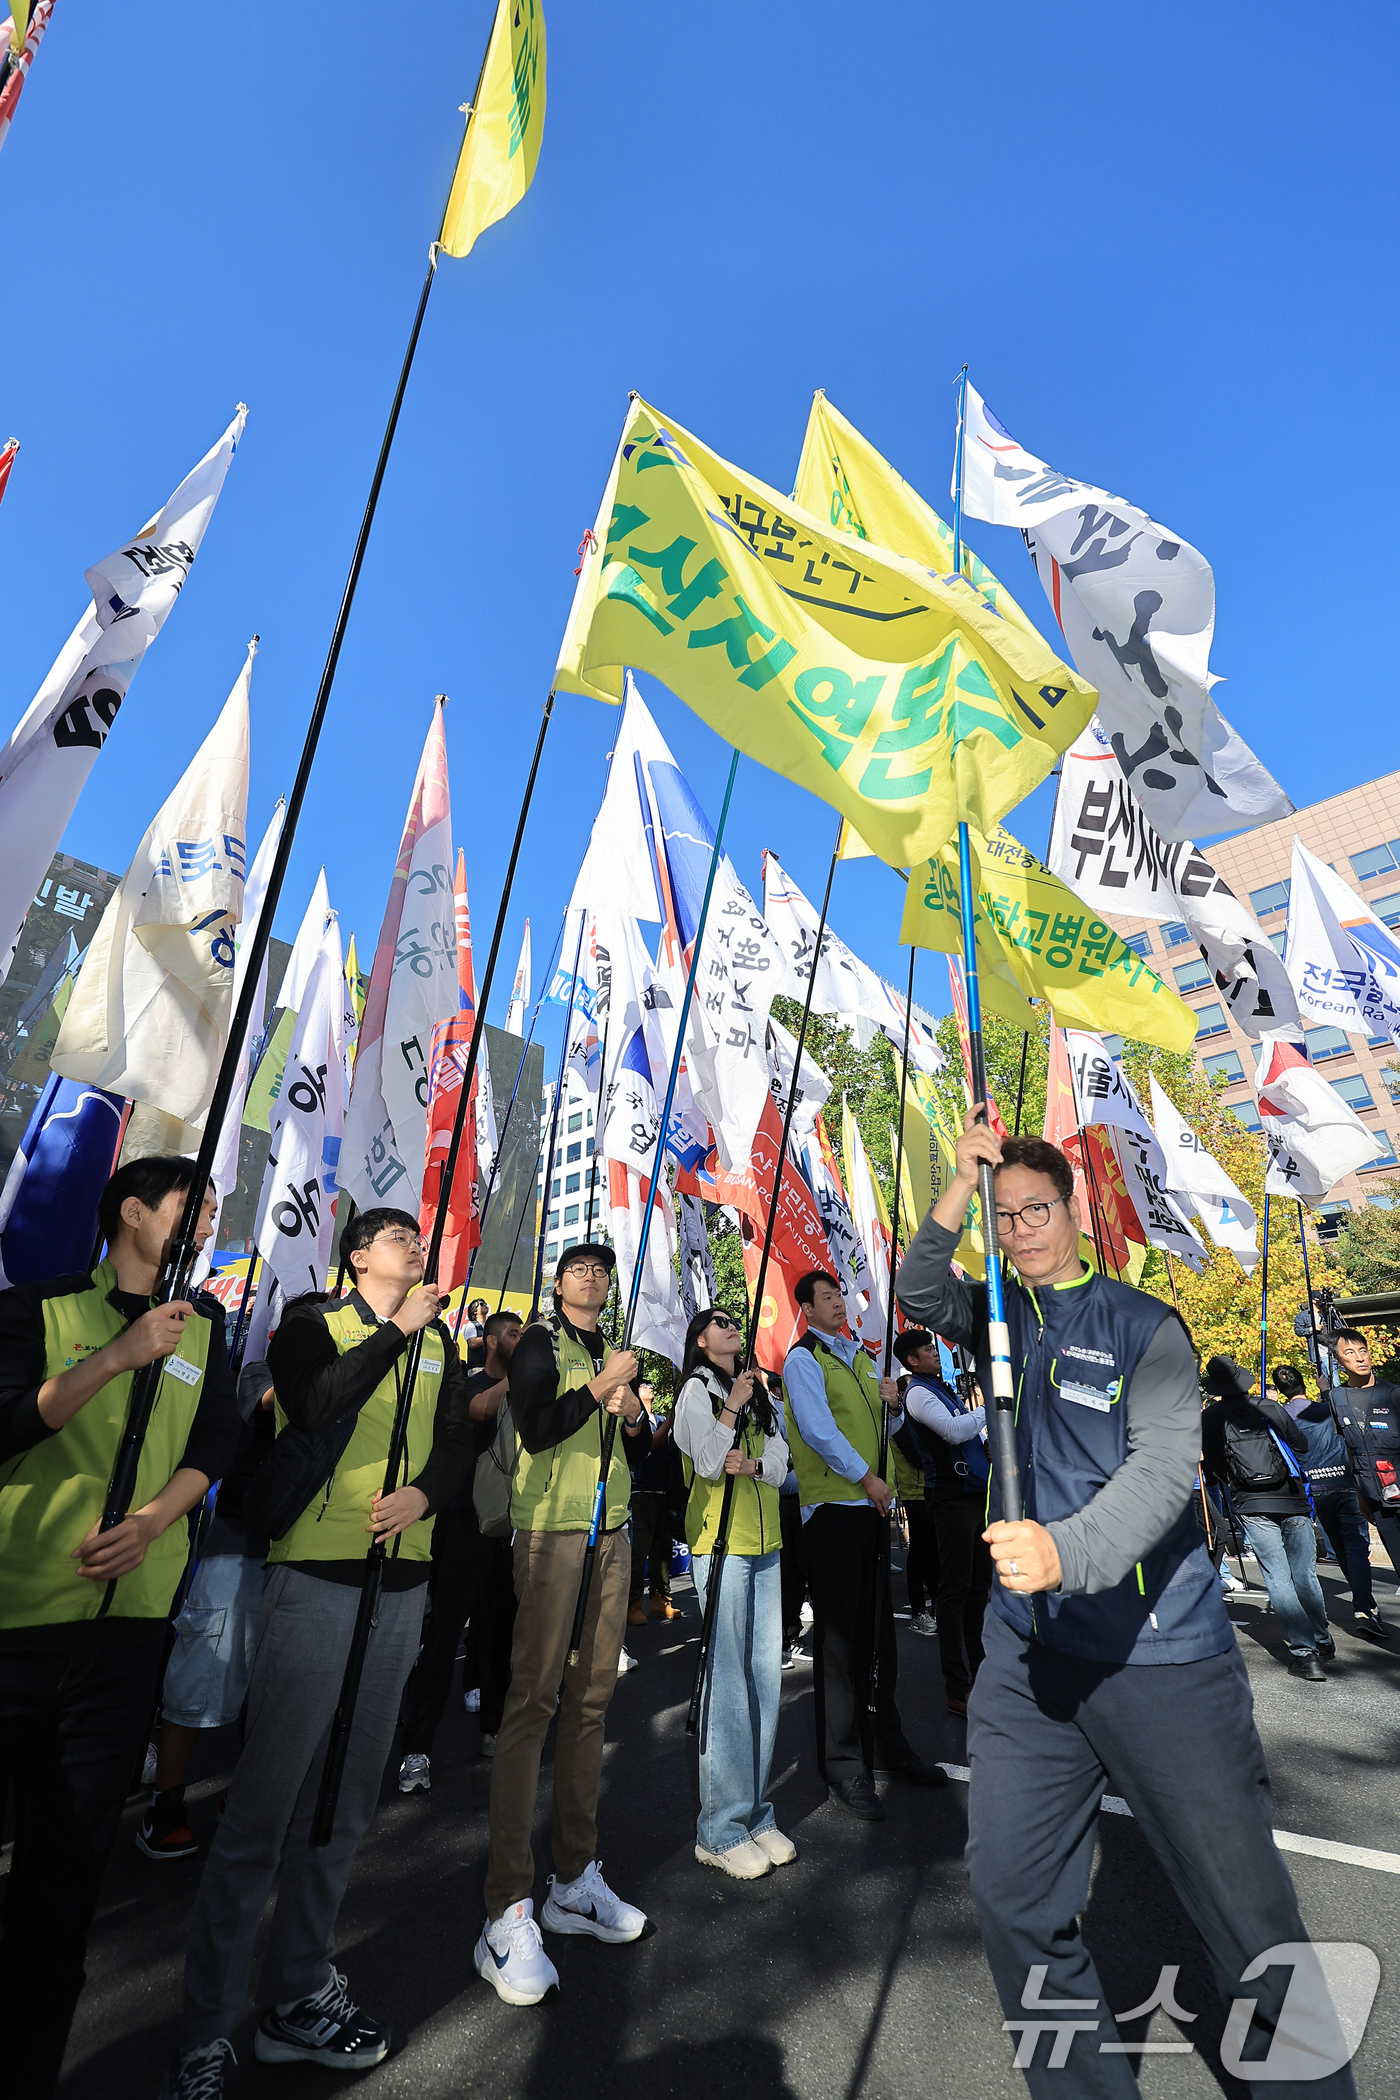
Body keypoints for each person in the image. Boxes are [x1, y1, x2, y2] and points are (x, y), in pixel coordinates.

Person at [896, 1121, 1356, 2098]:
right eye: (1003, 1213)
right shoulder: (1000, 1320)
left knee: (1243, 1924)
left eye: (1037, 1209)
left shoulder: (1141, 1326)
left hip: (1156, 1658)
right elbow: (915, 1288)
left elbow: (1160, 1472)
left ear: (1074, 1212)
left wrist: (1063, 1551)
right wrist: (955, 1184)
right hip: (1026, 1660)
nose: (1020, 1229)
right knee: (1012, 1899)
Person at [160, 1207, 476, 2097]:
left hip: (402, 1581)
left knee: (342, 1802)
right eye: (395, 1236)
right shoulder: (313, 1319)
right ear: (358, 1256)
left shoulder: (438, 1339)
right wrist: (392, 1332)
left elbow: (457, 1439)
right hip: (318, 1572)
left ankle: (299, 1991)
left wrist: (424, 1495)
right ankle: (205, 2029)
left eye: (418, 1235)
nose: (415, 1244)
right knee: (265, 1803)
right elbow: (313, 1402)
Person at [0, 1156, 239, 2100]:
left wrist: (152, 1521)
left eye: (215, 1210)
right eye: (193, 1206)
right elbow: (10, 1420)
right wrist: (113, 1357)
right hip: (17, 1623)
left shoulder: (206, 1331)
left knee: (60, 1893)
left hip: (127, 1635)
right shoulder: (38, 1307)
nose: (206, 1222)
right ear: (133, 1213)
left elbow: (216, 1441)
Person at [474, 1243, 652, 2008]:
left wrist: (636, 1412)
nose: (592, 1276)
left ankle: (573, 1879)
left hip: (610, 1533)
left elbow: (643, 1449)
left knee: (592, 1703)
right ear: (557, 1283)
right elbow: (540, 1426)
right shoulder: (541, 1343)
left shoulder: (612, 1351)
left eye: (602, 1269)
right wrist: (600, 1389)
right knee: (533, 1705)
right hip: (549, 1534)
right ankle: (506, 1908)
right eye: (578, 1267)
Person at [780, 1269, 945, 1821]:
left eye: (838, 1296)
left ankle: (888, 1745)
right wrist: (866, 1478)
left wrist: (894, 1404)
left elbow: (886, 1429)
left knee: (880, 1639)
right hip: (833, 1512)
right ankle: (844, 1766)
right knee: (840, 1644)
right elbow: (818, 1431)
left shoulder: (858, 1356)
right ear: (805, 1308)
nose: (837, 1304)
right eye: (825, 1298)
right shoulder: (804, 1360)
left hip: (872, 1510)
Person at [138, 1354, 277, 1859]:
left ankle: (243, 1798)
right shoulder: (261, 1369)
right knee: (196, 1683)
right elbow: (276, 1403)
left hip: (299, 1555)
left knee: (273, 1688)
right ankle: (164, 1805)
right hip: (236, 1550)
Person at [673, 1306, 794, 1879]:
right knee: (728, 1683)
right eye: (718, 1322)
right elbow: (707, 1462)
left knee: (765, 1680)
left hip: (767, 1543)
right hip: (719, 1546)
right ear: (700, 1340)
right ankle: (718, 1828)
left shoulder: (759, 1388)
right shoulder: (695, 1391)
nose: (731, 1327)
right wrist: (731, 1410)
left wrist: (757, 1463)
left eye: (733, 1322)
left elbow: (779, 1457)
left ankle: (754, 1813)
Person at [397, 1309, 522, 1790]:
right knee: (444, 1637)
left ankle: (493, 1728)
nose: (520, 1341)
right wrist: (522, 1374)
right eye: (513, 1335)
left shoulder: (525, 1388)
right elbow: (481, 1409)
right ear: (490, 1341)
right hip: (464, 1528)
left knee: (500, 1636)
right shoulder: (469, 1384)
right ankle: (416, 1748)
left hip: (508, 1529)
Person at [1200, 1355, 1333, 1680]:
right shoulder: (1269, 1407)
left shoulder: (1211, 1418)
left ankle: (1306, 1654)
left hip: (1250, 1503)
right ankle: (1322, 1639)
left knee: (1277, 1577)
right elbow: (1299, 1446)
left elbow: (1213, 1470)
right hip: (1292, 1499)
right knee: (1304, 1575)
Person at [893, 1330, 992, 1715]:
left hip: (973, 1494)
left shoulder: (942, 1388)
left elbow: (969, 1432)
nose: (936, 1353)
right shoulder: (917, 1392)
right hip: (950, 1499)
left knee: (977, 1588)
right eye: (928, 1349)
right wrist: (988, 1407)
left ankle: (983, 1675)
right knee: (954, 1592)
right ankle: (958, 1687)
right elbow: (954, 1430)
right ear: (912, 1360)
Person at [1273, 1362, 1388, 1641]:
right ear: (1304, 1383)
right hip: (1345, 1485)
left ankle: (1365, 1605)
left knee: (1342, 1548)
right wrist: (1327, 1393)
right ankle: (1364, 1606)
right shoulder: (1328, 1409)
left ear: (1280, 1390)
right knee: (1355, 1548)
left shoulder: (1281, 1419)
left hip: (1316, 1489)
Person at [1328, 1327, 1400, 1578]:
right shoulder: (1337, 1398)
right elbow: (1350, 1448)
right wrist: (1360, 1496)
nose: (1360, 1358)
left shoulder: (1392, 1394)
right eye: (1350, 1352)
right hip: (1375, 1497)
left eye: (1363, 1351)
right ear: (1338, 1361)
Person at [628, 1382, 678, 1625]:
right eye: (644, 1385)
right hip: (643, 1491)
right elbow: (653, 1444)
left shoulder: (658, 1418)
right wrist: (671, 1419)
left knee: (663, 1547)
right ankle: (633, 1603)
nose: (650, 1387)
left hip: (663, 1490)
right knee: (640, 1550)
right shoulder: (636, 1420)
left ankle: (660, 1600)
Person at [889, 1384, 937, 1637]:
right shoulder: (899, 1422)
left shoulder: (916, 1419)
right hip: (915, 1491)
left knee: (934, 1549)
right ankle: (919, 1610)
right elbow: (914, 1455)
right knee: (920, 1550)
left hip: (931, 1487)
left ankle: (936, 1604)